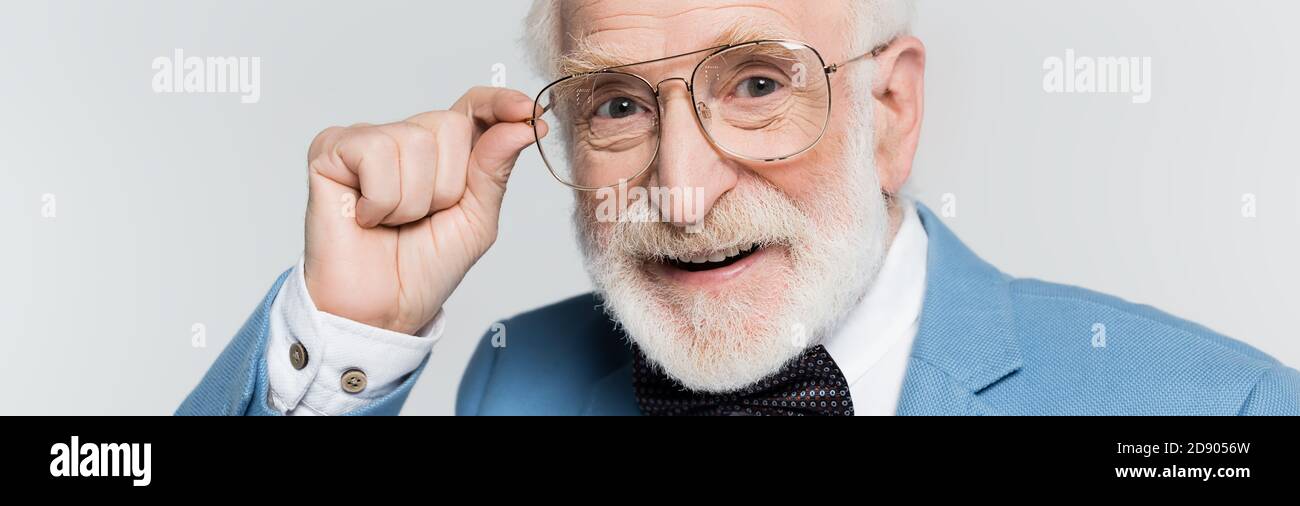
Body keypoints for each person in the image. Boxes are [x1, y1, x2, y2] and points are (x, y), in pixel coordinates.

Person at [177, 0, 1300, 416]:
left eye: (757, 83)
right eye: (617, 100)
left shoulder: (1221, 415)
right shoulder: (510, 380)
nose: (683, 184)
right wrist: (346, 333)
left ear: (893, 110)